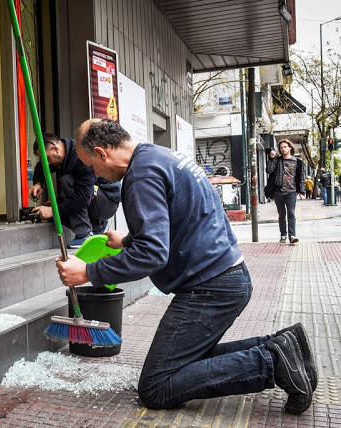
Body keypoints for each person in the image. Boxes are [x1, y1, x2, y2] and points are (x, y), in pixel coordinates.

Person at [56, 118, 316, 414]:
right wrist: (127, 240)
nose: (96, 174)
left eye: (92, 166)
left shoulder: (141, 176)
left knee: (156, 388)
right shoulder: (161, 156)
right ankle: (284, 344)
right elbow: (181, 220)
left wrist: (88, 272)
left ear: (102, 153)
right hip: (226, 275)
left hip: (209, 287)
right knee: (185, 361)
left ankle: (274, 362)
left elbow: (152, 254)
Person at [30, 133, 121, 248]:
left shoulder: (81, 157)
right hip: (91, 198)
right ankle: (96, 227)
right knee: (51, 206)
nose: (48, 163)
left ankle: (85, 234)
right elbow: (40, 166)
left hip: (106, 202)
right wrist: (38, 184)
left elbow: (82, 200)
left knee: (67, 181)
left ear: (55, 149)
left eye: (47, 158)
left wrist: (53, 211)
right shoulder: (59, 157)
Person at [265, 139, 306, 244]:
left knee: (291, 213)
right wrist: (271, 158)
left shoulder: (298, 162)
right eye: (281, 147)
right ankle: (283, 235)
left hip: (291, 191)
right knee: (282, 214)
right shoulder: (277, 160)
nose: (283, 149)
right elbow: (269, 170)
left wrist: (302, 192)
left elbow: (301, 177)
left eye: (285, 147)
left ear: (290, 147)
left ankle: (292, 236)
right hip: (278, 191)